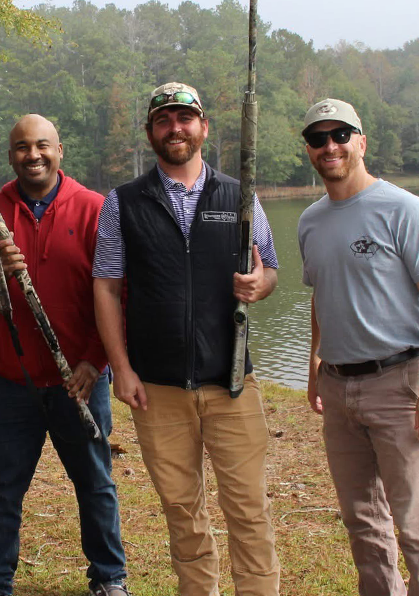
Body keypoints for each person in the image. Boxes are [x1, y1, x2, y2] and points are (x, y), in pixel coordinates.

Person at [93, 82, 281, 596]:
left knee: (248, 509)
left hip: (232, 382)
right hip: (158, 388)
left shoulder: (238, 196)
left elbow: (271, 270)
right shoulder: (123, 203)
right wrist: (122, 369)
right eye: (163, 120)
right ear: (151, 131)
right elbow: (106, 290)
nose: (175, 128)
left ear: (202, 126)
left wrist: (258, 285)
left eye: (185, 118)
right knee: (182, 512)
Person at [0, 114, 130, 596]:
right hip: (10, 382)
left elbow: (117, 294)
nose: (33, 155)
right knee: (3, 489)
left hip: (81, 380)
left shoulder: (95, 208)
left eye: (42, 145)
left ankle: (109, 577)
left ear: (60, 149)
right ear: (11, 156)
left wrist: (95, 361)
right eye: (23, 147)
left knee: (96, 485)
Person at [297, 98, 419, 596]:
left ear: (361, 142)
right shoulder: (310, 221)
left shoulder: (405, 209)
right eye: (319, 138)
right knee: (363, 523)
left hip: (398, 383)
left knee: (418, 526)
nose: (331, 146)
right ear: (309, 150)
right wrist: (314, 364)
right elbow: (322, 297)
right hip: (339, 389)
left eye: (341, 135)